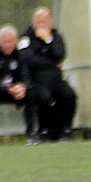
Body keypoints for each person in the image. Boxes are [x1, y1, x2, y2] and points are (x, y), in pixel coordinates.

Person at [19, 8, 76, 141]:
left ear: (50, 22)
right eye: (38, 22)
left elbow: (60, 55)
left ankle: (66, 130)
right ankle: (44, 130)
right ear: (33, 23)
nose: (41, 25)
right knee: (43, 97)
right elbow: (27, 59)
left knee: (69, 95)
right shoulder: (25, 38)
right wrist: (51, 62)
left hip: (55, 79)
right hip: (36, 80)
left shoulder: (56, 37)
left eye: (44, 22)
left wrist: (48, 40)